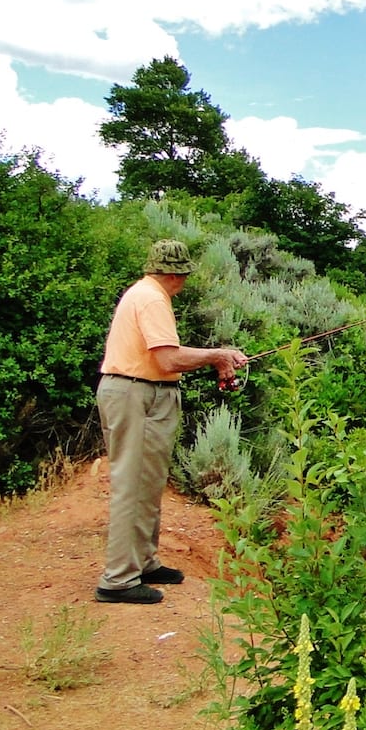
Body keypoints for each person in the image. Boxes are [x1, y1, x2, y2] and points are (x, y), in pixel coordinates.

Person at [93, 239, 247, 605]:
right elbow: (167, 359)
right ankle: (117, 580)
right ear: (177, 275)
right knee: (131, 483)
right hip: (135, 393)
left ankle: (144, 563)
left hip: (143, 393)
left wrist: (215, 359)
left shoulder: (147, 294)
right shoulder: (151, 298)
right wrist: (217, 355)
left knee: (148, 481)